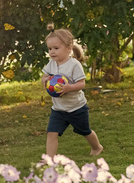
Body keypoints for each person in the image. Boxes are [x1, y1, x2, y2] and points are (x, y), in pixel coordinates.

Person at [41, 25, 103, 157]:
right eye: (50, 49)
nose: (52, 52)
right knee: (51, 133)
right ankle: (49, 159)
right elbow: (44, 76)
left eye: (56, 48)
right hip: (58, 109)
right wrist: (45, 80)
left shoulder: (74, 64)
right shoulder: (51, 63)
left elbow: (81, 83)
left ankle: (97, 147)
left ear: (68, 49)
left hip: (76, 108)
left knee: (85, 131)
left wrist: (69, 87)